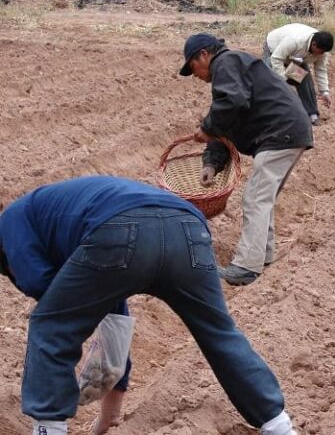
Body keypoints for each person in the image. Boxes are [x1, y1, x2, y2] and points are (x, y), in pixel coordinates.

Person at [0, 176, 297, 435]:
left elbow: (41, 284)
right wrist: (110, 413)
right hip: (188, 228)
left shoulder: (9, 223)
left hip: (120, 230)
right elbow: (115, 323)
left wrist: (64, 308)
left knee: (50, 324)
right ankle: (279, 426)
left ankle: (48, 429)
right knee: (218, 331)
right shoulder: (56, 219)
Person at [180, 33, 313, 286]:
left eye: (192, 66)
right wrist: (211, 163)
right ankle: (263, 255)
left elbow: (231, 104)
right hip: (288, 131)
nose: (194, 74)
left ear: (204, 55)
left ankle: (246, 267)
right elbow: (228, 119)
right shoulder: (232, 69)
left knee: (255, 198)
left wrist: (207, 128)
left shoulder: (225, 63)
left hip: (280, 132)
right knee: (264, 197)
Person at [263, 23, 334, 126]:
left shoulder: (322, 51)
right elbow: (276, 59)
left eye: (324, 52)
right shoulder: (295, 41)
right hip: (274, 50)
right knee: (269, 78)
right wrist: (284, 81)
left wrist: (324, 92)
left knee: (303, 77)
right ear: (314, 44)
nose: (321, 54)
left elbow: (321, 69)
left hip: (293, 57)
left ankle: (312, 114)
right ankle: (268, 113)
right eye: (321, 51)